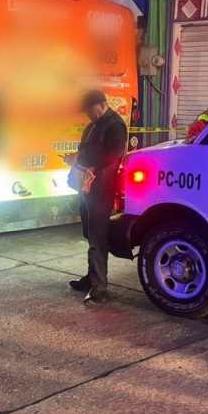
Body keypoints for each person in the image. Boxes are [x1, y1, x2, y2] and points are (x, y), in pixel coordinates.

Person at [68, 89, 127, 305]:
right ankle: (91, 277)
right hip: (87, 187)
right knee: (89, 234)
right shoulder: (93, 125)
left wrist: (80, 158)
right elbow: (86, 151)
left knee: (98, 237)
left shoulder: (114, 125)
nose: (87, 114)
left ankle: (99, 287)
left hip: (102, 188)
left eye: (89, 110)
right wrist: (77, 158)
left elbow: (112, 155)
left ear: (102, 104)